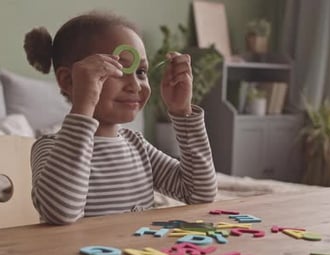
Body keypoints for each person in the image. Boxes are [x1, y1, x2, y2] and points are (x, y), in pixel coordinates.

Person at [24, 10, 217, 225]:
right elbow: (61, 213)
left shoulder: (138, 146)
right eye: (117, 69)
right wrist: (84, 105)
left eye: (141, 71)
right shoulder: (49, 148)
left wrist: (183, 112)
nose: (135, 85)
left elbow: (201, 193)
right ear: (69, 81)